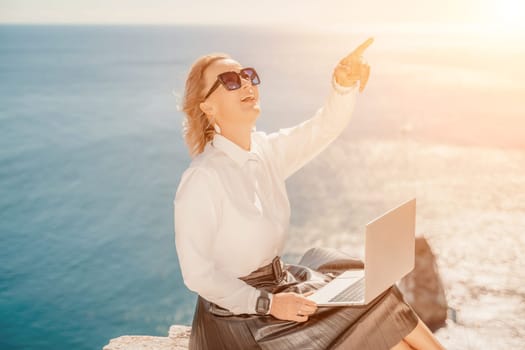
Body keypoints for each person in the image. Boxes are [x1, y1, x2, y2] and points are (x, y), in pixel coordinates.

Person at [173, 38, 445, 349]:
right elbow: (197, 275)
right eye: (230, 81)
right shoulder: (202, 178)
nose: (246, 83)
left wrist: (342, 86)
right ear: (207, 106)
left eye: (247, 75)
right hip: (240, 322)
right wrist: (268, 304)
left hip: (279, 289)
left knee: (373, 290)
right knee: (379, 305)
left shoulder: (265, 152)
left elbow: (322, 128)